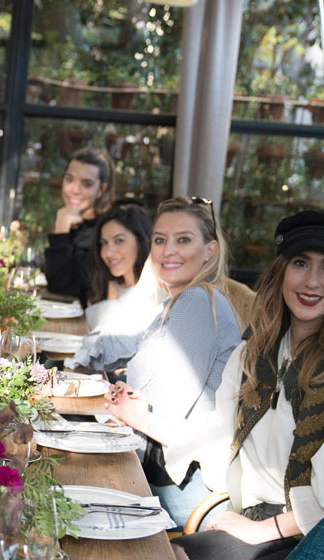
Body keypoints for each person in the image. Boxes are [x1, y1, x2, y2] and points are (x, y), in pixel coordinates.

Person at [104, 209, 324, 560]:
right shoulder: (258, 352)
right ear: (281, 271)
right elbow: (219, 433)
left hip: (323, 548)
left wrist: (267, 530)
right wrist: (146, 421)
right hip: (256, 522)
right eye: (301, 264)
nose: (312, 282)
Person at [71, 196, 240, 525]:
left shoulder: (198, 302)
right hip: (154, 471)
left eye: (184, 240)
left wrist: (117, 389)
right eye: (160, 240)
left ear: (210, 250)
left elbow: (151, 412)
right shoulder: (181, 300)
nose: (168, 250)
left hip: (179, 492)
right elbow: (123, 344)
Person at [43, 149, 117, 306]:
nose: (74, 190)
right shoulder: (75, 223)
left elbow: (62, 287)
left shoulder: (103, 232)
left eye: (87, 184)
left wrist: (61, 229)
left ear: (101, 190)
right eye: (69, 179)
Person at [79, 201, 159, 331]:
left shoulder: (154, 293)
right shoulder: (106, 284)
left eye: (119, 241)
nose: (108, 252)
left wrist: (111, 302)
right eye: (104, 243)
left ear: (141, 242)